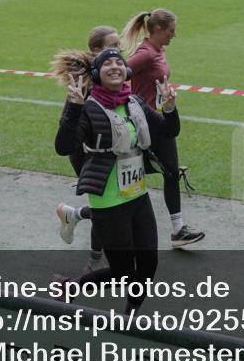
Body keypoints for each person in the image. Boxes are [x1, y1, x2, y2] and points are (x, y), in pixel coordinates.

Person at [53, 47, 179, 314]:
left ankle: (129, 317)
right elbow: (64, 146)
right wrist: (73, 108)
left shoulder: (134, 102)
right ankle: (72, 288)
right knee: (123, 272)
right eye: (107, 63)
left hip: (137, 195)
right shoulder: (88, 108)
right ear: (98, 74)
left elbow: (169, 130)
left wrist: (170, 108)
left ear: (127, 71)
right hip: (108, 201)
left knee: (148, 265)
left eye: (119, 62)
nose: (115, 66)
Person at [120, 9, 204, 248]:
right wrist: (131, 101)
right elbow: (120, 73)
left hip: (156, 117)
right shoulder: (145, 54)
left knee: (163, 170)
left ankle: (176, 228)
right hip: (149, 121)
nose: (174, 35)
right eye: (171, 30)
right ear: (157, 29)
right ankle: (178, 230)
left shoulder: (158, 50)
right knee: (168, 171)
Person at [51, 25, 122, 272]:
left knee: (114, 204)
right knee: (107, 205)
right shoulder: (83, 81)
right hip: (85, 153)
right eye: (113, 46)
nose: (119, 51)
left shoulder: (111, 75)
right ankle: (95, 259)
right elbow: (67, 127)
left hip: (108, 152)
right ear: (96, 50)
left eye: (119, 46)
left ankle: (74, 214)